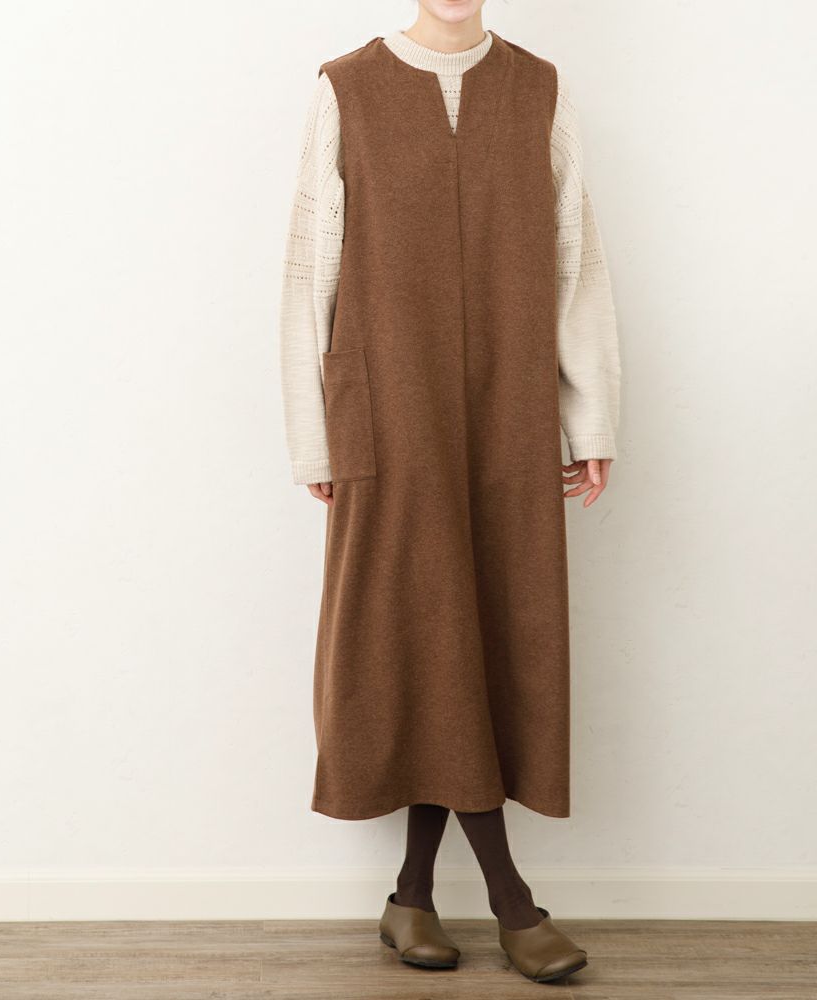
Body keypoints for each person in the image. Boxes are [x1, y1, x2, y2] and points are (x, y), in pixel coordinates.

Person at [278, 0, 620, 984]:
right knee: (420, 635)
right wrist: (315, 433)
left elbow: (575, 260)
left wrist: (591, 418)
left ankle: (412, 896)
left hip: (509, 412)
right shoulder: (345, 88)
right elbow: (309, 270)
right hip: (389, 411)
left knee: (478, 637)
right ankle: (513, 903)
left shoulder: (538, 89)